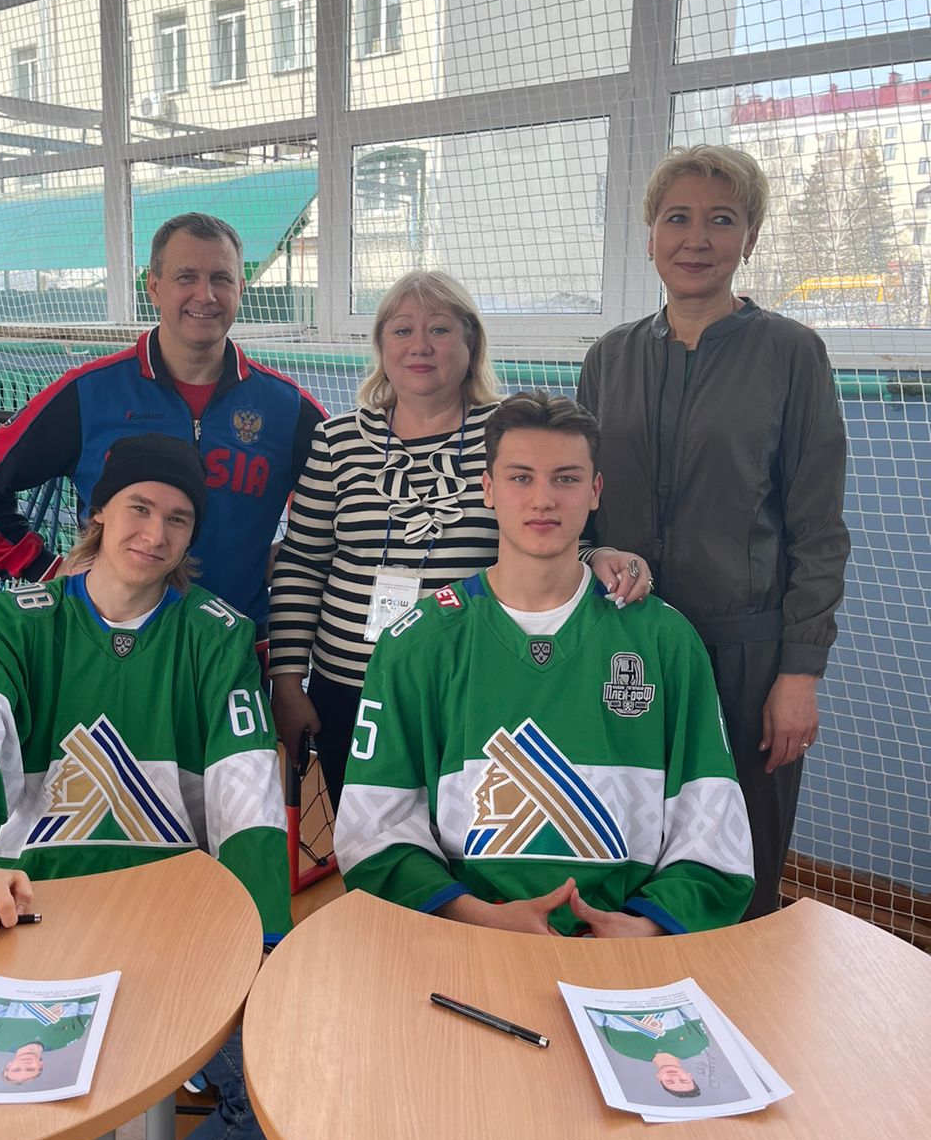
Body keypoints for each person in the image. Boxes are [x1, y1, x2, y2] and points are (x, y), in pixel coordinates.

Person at [0, 433, 289, 1140]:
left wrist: (262, 945)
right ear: (99, 511)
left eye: (177, 519)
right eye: (139, 508)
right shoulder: (20, 618)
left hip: (174, 936)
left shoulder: (216, 636)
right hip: (36, 921)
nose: (154, 534)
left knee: (276, 1096)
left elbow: (246, 795)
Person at [334, 391, 755, 936]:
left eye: (565, 478)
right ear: (487, 488)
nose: (543, 499)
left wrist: (645, 927)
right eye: (520, 477)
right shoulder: (417, 643)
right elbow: (374, 831)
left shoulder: (664, 639)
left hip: (626, 948)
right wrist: (478, 916)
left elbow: (713, 829)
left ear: (595, 491)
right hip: (466, 940)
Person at [577, 144, 850, 920]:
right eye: (678, 218)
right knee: (623, 845)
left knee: (740, 861)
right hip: (624, 643)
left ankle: (736, 990)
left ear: (750, 238)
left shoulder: (792, 354)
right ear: (650, 236)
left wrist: (798, 675)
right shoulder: (608, 358)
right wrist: (594, 554)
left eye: (721, 220)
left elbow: (818, 529)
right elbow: (579, 508)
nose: (696, 239)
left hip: (746, 658)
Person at [268, 271, 650, 810]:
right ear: (381, 345)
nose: (420, 346)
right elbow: (302, 565)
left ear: (471, 343)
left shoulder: (509, 434)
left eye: (440, 330)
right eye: (402, 330)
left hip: (473, 682)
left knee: (470, 834)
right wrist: (288, 680)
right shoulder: (336, 441)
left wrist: (603, 555)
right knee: (370, 841)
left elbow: (549, 539)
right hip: (350, 687)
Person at [0, 212, 325, 641]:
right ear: (154, 287)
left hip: (238, 649)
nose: (205, 295)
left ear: (240, 289)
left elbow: (349, 509)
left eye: (221, 278)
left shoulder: (287, 409)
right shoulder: (91, 393)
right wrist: (45, 569)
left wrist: (289, 562)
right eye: (186, 277)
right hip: (110, 648)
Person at [590, 1008, 707, 1097]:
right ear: (689, 1075)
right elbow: (687, 1006)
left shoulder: (624, 1050)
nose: (674, 1077)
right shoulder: (698, 1045)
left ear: (659, 1078)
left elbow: (596, 1013)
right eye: (683, 1080)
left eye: (669, 1081)